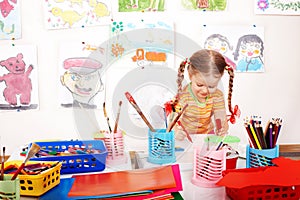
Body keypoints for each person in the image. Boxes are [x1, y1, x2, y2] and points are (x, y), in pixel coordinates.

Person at [170, 49, 235, 140]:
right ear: (190, 76)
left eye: (211, 86)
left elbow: (221, 119)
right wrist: (176, 131)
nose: (205, 90)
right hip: (186, 138)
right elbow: (172, 121)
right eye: (200, 85)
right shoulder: (184, 96)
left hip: (207, 137)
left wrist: (222, 128)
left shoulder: (217, 95)